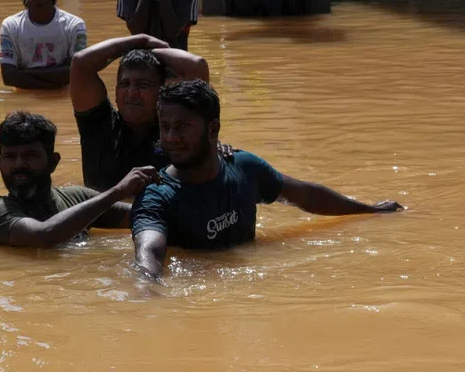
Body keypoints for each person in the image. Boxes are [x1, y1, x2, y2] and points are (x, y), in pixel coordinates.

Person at [131, 80, 403, 279]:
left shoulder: (245, 168)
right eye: (165, 127)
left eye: (181, 127)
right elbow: (150, 254)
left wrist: (369, 210)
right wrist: (148, 292)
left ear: (213, 129)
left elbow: (305, 196)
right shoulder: (157, 195)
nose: (170, 138)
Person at [0, 110, 158, 248]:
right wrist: (118, 192)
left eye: (30, 155)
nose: (19, 164)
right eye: (9, 157)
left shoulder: (77, 197)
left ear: (53, 162)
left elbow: (144, 215)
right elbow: (44, 237)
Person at [70, 33, 209, 191]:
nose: (132, 92)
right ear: (115, 91)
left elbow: (197, 66)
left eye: (143, 84)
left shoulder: (174, 131)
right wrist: (141, 40)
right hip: (103, 214)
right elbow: (80, 63)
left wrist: (151, 51)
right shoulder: (97, 124)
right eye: (124, 84)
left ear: (161, 91)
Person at [0, 0, 87, 89]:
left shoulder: (75, 25)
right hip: (25, 103)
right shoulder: (10, 26)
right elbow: (9, 77)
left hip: (62, 101)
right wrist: (58, 74)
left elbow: (77, 73)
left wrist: (23, 74)